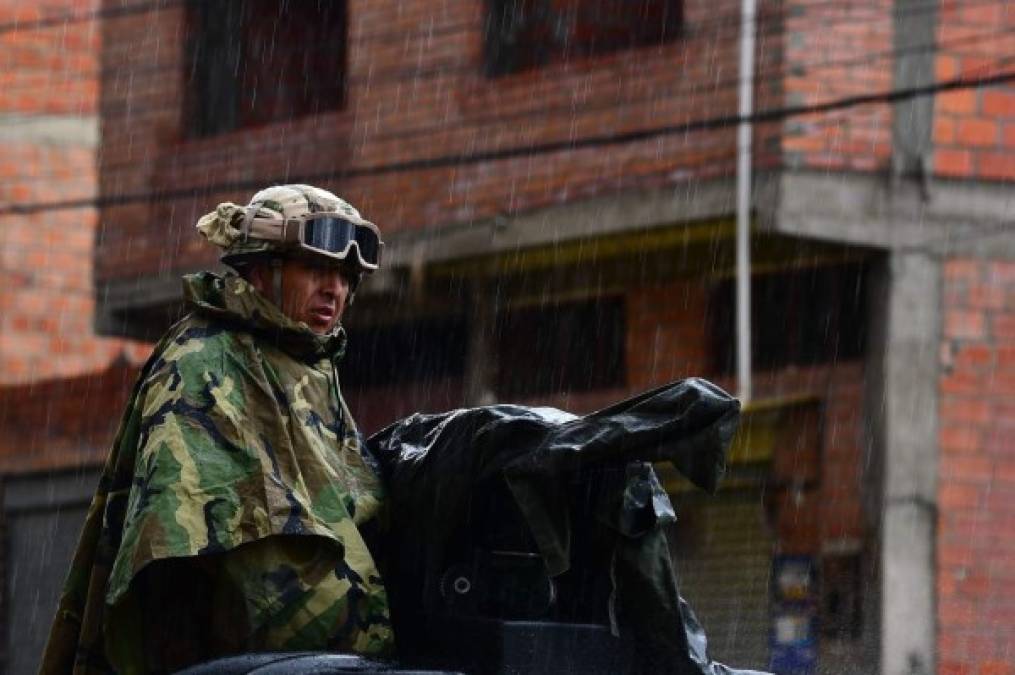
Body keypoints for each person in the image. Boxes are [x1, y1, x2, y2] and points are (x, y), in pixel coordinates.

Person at [41, 185, 393, 674]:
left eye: (346, 276)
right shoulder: (204, 359)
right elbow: (170, 561)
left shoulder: (308, 366)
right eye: (315, 269)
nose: (334, 289)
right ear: (260, 269)